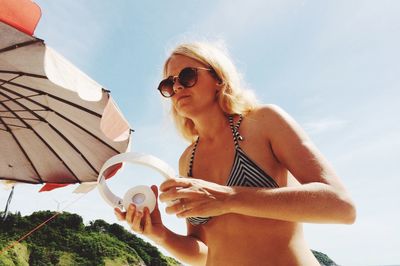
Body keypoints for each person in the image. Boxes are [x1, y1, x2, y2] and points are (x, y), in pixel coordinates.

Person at [115, 41, 356, 266]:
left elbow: (341, 206)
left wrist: (228, 198)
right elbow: (204, 252)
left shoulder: (265, 122)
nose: (177, 87)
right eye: (168, 84)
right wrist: (160, 234)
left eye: (187, 76)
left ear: (218, 78)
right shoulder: (187, 160)